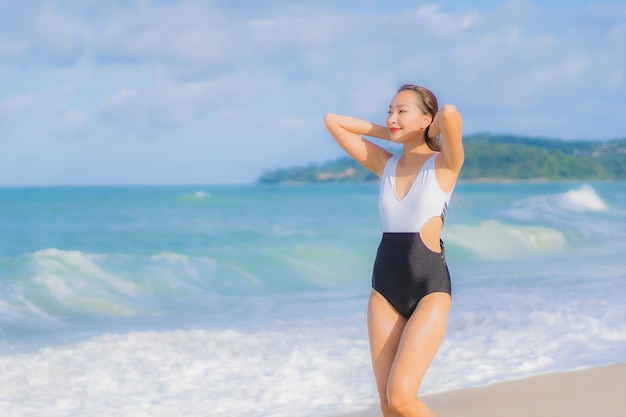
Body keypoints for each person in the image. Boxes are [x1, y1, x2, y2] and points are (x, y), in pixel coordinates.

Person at [324, 84, 464, 417]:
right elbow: (333, 121)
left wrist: (416, 132)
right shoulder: (385, 165)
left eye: (402, 111)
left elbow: (450, 114)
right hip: (384, 289)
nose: (391, 118)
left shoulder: (445, 164)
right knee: (387, 405)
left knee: (402, 397)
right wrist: (395, 134)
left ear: (426, 119)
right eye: (389, 111)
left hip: (428, 288)